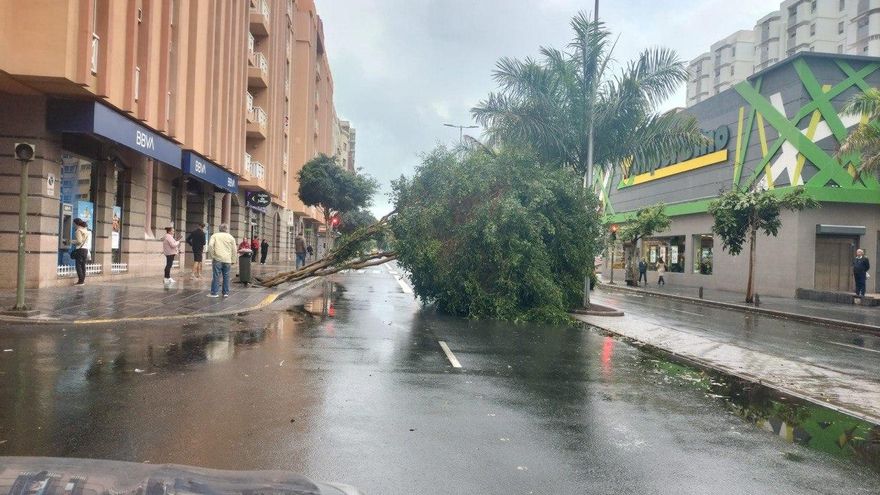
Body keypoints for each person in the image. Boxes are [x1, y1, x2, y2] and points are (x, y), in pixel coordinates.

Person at [207, 223, 237, 298]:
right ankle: (225, 293)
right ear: (227, 229)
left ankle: (214, 293)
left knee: (216, 276)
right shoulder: (231, 237)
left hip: (217, 259)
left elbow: (210, 245)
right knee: (226, 276)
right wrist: (233, 260)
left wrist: (212, 255)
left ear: (219, 229)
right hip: (227, 260)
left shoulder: (215, 236)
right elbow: (234, 250)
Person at [71, 218, 92, 285]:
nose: (73, 225)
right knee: (83, 265)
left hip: (80, 250)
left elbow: (79, 241)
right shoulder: (85, 230)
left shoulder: (78, 231)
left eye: (73, 223)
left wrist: (71, 241)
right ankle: (82, 281)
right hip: (85, 250)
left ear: (76, 224)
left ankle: (80, 281)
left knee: (78, 266)